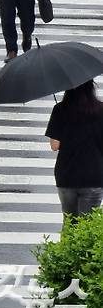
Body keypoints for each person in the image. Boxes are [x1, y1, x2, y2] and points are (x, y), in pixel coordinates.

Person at [45, 80, 103, 222]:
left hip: (66, 175)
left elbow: (54, 145)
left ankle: (66, 245)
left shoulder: (60, 110)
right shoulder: (101, 110)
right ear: (90, 88)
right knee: (87, 226)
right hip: (93, 176)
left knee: (70, 223)